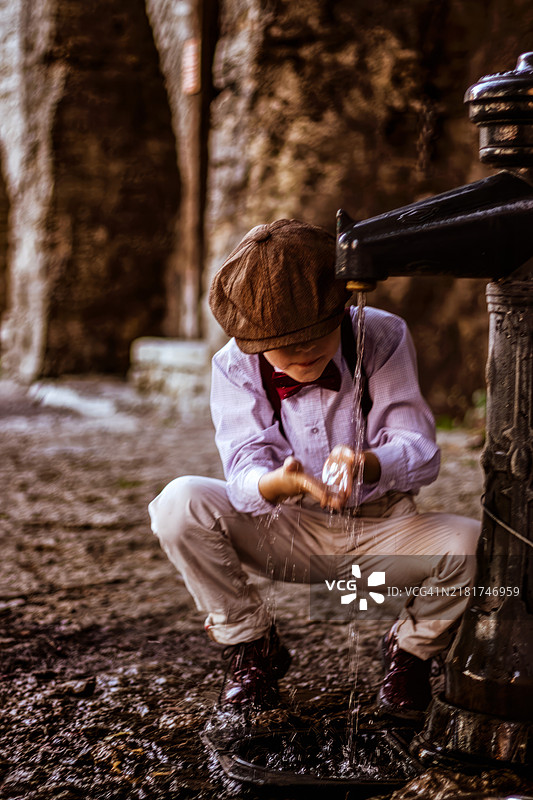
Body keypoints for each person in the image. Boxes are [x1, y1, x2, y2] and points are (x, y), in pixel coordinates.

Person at [148, 218, 480, 719]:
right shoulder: (233, 364)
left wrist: (368, 464)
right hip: (285, 529)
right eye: (286, 346)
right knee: (178, 503)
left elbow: (422, 451)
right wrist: (273, 485)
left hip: (381, 530)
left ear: (344, 308)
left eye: (314, 340)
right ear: (251, 339)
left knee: (474, 547)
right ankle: (252, 648)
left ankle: (410, 655)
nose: (303, 355)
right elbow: (242, 465)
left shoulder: (381, 334)